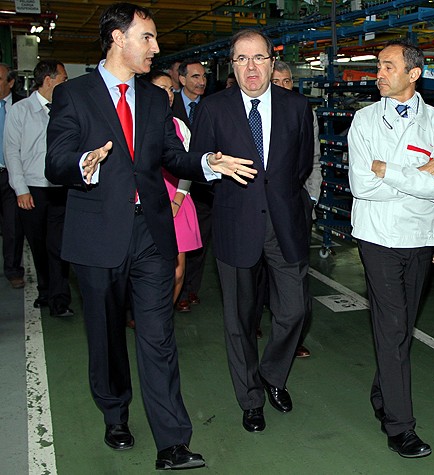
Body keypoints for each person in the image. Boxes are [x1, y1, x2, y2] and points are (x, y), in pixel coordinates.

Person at [45, 3, 255, 470]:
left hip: (151, 234)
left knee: (158, 338)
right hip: (98, 234)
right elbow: (55, 161)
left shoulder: (156, 99)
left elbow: (173, 157)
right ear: (118, 38)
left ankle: (173, 442)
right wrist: (83, 163)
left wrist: (207, 162)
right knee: (106, 337)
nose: (156, 47)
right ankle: (115, 413)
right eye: (147, 37)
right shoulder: (73, 95)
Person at [190, 29, 314, 434]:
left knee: (294, 310)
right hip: (236, 224)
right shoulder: (213, 108)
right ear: (232, 66)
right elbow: (197, 163)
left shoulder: (297, 107)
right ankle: (250, 398)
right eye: (242, 59)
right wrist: (213, 166)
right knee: (239, 320)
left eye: (259, 57)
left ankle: (272, 374)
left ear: (272, 62)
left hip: (285, 225)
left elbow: (301, 166)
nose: (251, 67)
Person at [348, 39, 434, 458]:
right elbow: (362, 185)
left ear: (414, 74)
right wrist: (418, 172)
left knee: (402, 327)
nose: (379, 73)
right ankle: (400, 427)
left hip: (420, 237)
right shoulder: (364, 121)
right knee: (392, 327)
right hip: (377, 236)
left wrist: (388, 170)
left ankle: (382, 395)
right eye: (378, 66)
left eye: (388, 66)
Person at [258, 59, 321, 358]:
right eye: (277, 82)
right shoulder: (258, 111)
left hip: (295, 205)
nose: (284, 87)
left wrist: (311, 199)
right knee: (260, 275)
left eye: (288, 82)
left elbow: (313, 158)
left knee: (295, 277)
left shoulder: (303, 110)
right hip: (258, 210)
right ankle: (256, 321)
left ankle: (293, 339)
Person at [4, 59, 73, 317]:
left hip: (61, 188)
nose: (66, 83)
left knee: (59, 246)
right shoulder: (20, 111)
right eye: (63, 79)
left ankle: (59, 300)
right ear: (48, 80)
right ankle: (45, 291)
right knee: (39, 245)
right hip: (32, 190)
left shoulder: (66, 109)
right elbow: (11, 152)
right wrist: (20, 189)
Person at [148, 70, 202, 310]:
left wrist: (177, 200)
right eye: (162, 89)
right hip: (148, 202)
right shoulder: (137, 124)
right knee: (150, 269)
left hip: (177, 200)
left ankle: (163, 315)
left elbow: (188, 167)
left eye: (170, 89)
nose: (168, 94)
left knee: (177, 271)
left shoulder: (179, 126)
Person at [171, 59, 211, 313]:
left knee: (200, 241)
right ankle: (180, 292)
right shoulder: (169, 105)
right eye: (195, 76)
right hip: (176, 184)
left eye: (204, 76)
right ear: (182, 79)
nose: (201, 81)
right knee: (178, 244)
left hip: (204, 186)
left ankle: (192, 287)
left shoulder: (211, 106)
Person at [0, 63, 25, 290]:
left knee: (12, 226)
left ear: (10, 82)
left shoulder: (22, 106)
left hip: (11, 173)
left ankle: (13, 270)